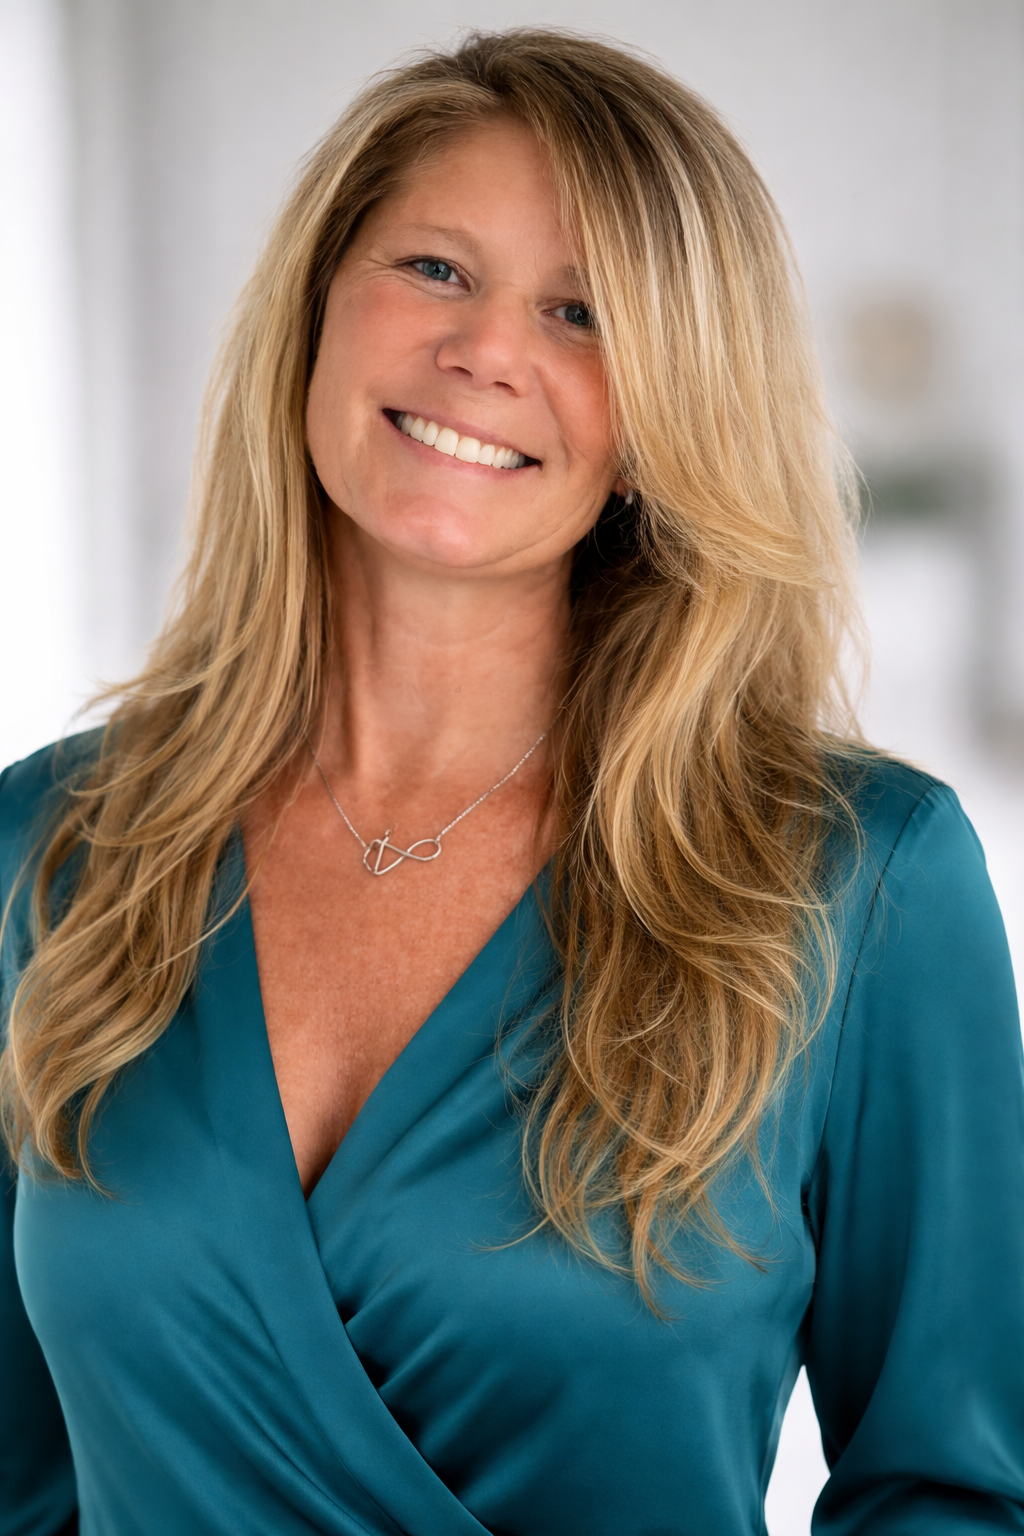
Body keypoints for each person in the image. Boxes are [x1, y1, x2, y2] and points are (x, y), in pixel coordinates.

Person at [2, 27, 1022, 1536]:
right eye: (434, 269)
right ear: (316, 309)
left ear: (667, 415)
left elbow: (958, 1491)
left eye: (582, 313)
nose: (486, 351)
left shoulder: (859, 880)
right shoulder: (52, 848)